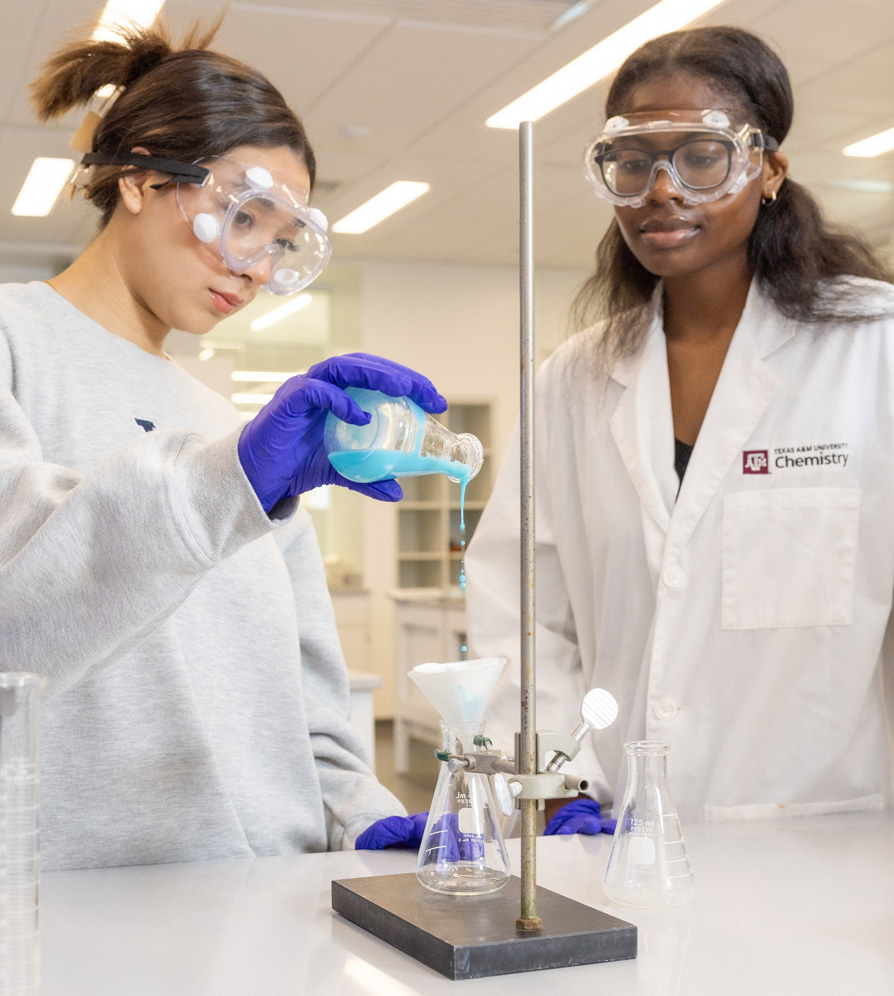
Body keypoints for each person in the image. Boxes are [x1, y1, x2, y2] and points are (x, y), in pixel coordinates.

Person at [0, 23, 444, 870]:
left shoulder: (226, 420)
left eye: (283, 243)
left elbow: (304, 693)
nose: (253, 267)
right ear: (138, 176)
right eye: (244, 218)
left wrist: (360, 816)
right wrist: (224, 482)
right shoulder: (13, 344)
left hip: (270, 894)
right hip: (87, 905)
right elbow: (13, 613)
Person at [466, 25, 894, 831]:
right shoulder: (573, 381)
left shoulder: (876, 352)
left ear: (767, 169)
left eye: (702, 155)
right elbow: (519, 610)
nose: (662, 189)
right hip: (618, 837)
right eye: (633, 160)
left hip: (825, 840)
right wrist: (557, 780)